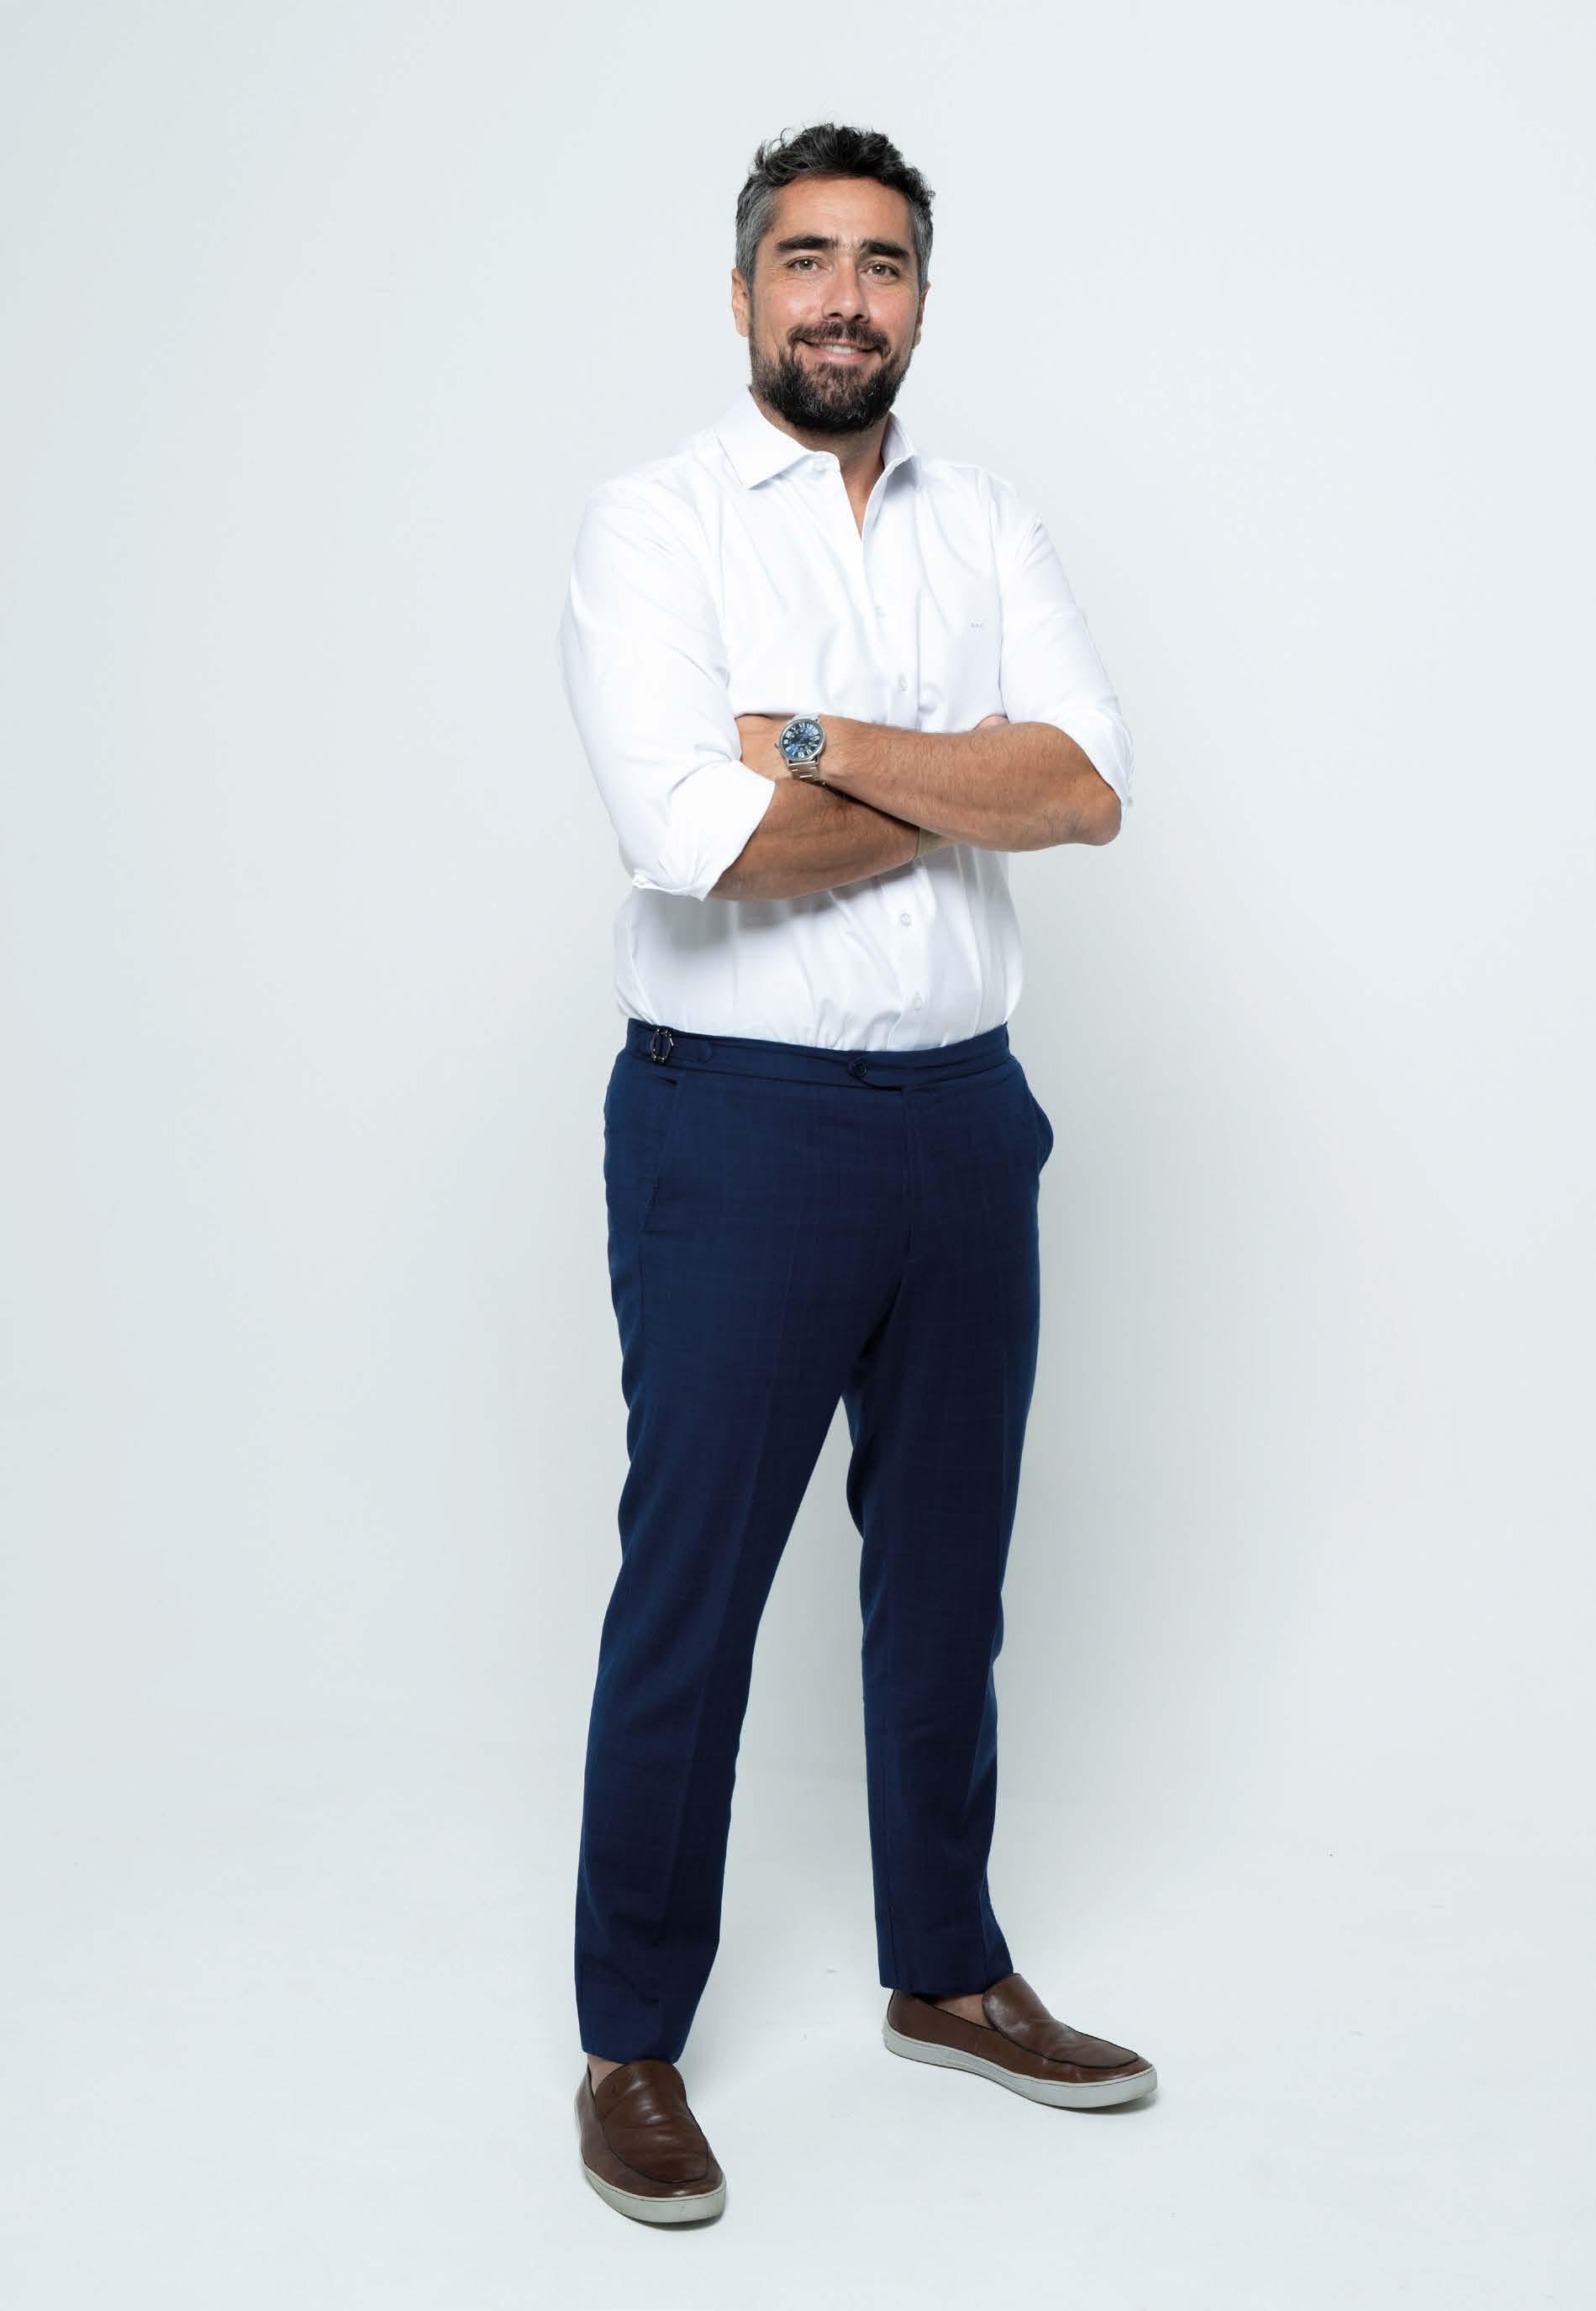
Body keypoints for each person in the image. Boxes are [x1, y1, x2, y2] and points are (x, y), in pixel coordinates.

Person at [554, 119, 1156, 2228]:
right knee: (693, 1589)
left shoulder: (983, 520)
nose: (840, 297)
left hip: (964, 1124)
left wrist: (807, 740)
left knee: (947, 1577)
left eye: (879, 263)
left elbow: (1082, 787)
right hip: (737, 1126)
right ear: (742, 294)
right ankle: (628, 2037)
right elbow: (692, 844)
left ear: (916, 300)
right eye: (803, 259)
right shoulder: (651, 526)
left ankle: (945, 1971)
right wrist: (956, 778)